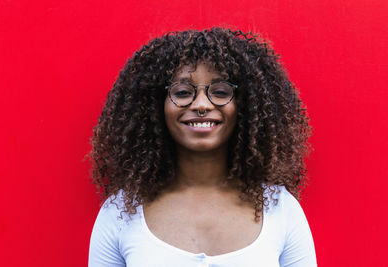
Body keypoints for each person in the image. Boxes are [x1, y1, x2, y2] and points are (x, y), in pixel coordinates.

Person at [88, 27, 317, 267]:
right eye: (183, 92)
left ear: (246, 105)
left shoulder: (281, 210)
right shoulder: (121, 213)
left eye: (220, 92)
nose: (201, 104)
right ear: (156, 106)